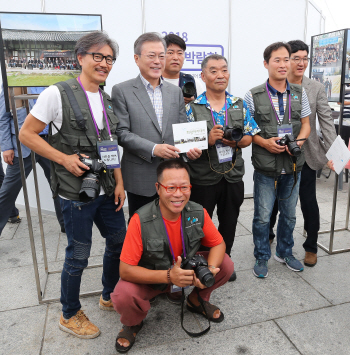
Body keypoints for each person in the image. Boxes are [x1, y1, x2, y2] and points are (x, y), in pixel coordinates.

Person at [19, 31, 126, 339]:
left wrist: (119, 182)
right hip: (75, 192)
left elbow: (110, 146)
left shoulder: (106, 99)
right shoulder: (57, 93)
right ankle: (68, 313)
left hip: (106, 189)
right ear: (80, 58)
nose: (104, 63)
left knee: (118, 243)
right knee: (78, 253)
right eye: (98, 56)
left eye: (109, 58)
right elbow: (27, 134)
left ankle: (109, 293)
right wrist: (64, 159)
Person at [111, 159, 234, 353]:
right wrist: (169, 277)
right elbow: (125, 270)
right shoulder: (140, 220)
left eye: (184, 187)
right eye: (170, 187)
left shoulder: (197, 212)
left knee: (225, 265)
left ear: (190, 188)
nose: (178, 194)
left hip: (186, 273)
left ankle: (196, 301)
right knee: (122, 294)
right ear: (158, 188)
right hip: (153, 277)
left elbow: (219, 243)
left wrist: (208, 270)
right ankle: (133, 322)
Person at [185, 54, 260, 282]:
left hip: (233, 175)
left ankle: (224, 263)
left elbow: (249, 137)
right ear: (203, 75)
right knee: (198, 225)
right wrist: (207, 140)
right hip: (203, 177)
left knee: (229, 222)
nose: (220, 75)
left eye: (224, 70)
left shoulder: (238, 104)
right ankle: (198, 265)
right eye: (214, 71)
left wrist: (235, 142)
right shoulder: (192, 107)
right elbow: (185, 145)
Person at [112, 32, 201, 220]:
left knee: (172, 226)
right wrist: (154, 149)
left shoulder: (175, 92)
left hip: (172, 176)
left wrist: (189, 151)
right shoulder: (122, 90)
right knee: (141, 228)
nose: (157, 61)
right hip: (140, 176)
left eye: (162, 56)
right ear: (137, 58)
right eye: (151, 56)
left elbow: (181, 128)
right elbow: (121, 133)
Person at [244, 42, 311, 278]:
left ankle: (285, 252)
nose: (283, 65)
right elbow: (248, 128)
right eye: (277, 60)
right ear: (266, 63)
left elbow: (305, 124)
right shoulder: (252, 95)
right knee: (262, 216)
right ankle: (261, 256)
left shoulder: (300, 93)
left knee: (290, 214)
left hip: (293, 166)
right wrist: (264, 142)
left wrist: (299, 144)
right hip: (266, 166)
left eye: (287, 59)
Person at [269, 40, 337, 267]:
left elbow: (326, 122)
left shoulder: (315, 88)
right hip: (280, 153)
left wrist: (337, 154)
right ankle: (268, 234)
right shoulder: (275, 84)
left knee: (308, 200)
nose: (300, 63)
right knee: (277, 199)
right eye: (295, 58)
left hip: (307, 154)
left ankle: (311, 246)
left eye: (304, 58)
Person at [0, 87, 64, 234]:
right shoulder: (12, 84)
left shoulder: (49, 85)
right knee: (8, 191)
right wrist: (7, 147)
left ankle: (67, 225)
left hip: (49, 143)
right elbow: (3, 118)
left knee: (59, 186)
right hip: (22, 145)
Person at [163, 33, 205, 104]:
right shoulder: (153, 82)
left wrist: (193, 104)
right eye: (170, 53)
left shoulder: (193, 82)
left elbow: (202, 112)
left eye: (180, 53)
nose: (176, 58)